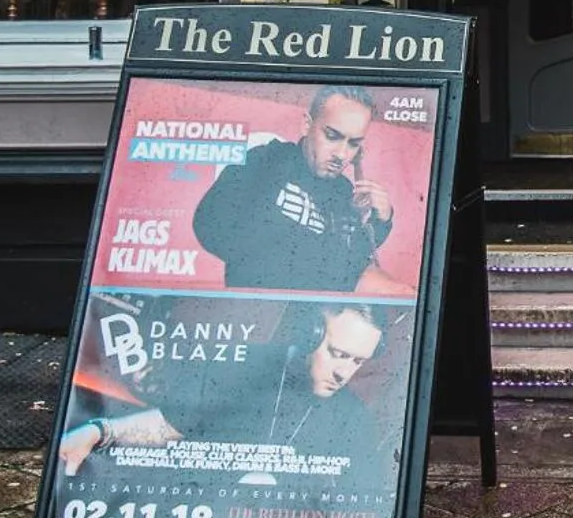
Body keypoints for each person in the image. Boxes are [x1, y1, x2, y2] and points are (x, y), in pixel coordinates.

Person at [56, 301, 387, 476]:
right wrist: (99, 432)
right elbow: (172, 424)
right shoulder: (245, 365)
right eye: (338, 354)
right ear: (307, 334)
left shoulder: (354, 417)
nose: (344, 373)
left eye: (357, 361)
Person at [193, 85, 397, 292]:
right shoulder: (266, 160)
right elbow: (209, 226)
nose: (342, 154)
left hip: (320, 309)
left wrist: (380, 221)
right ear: (307, 125)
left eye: (353, 144)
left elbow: (349, 262)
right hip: (260, 303)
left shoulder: (343, 191)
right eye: (332, 136)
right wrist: (309, 257)